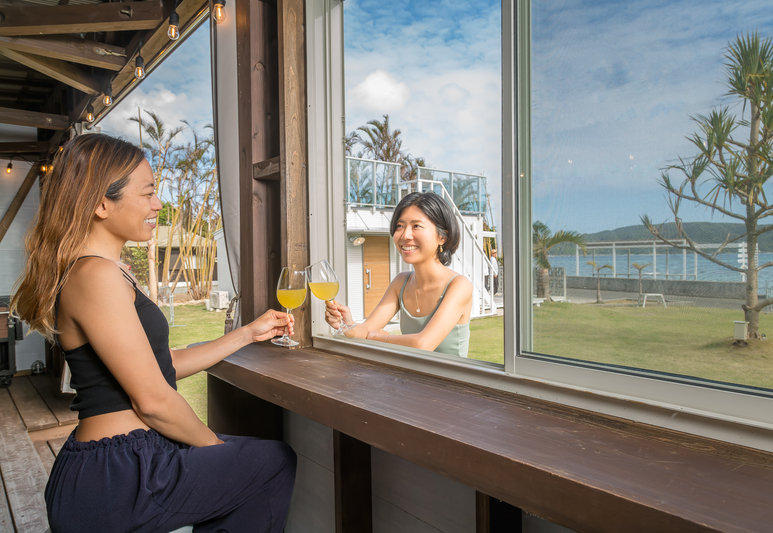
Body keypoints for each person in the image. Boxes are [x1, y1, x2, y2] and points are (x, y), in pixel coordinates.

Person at [10, 135, 297, 533]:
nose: (158, 205)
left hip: (124, 463)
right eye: (147, 194)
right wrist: (215, 449)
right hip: (120, 473)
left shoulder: (102, 271)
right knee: (269, 463)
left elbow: (163, 367)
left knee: (259, 462)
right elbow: (152, 400)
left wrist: (247, 333)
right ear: (101, 203)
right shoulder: (95, 275)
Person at [325, 191, 472, 357]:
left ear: (442, 237)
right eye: (400, 226)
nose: (404, 235)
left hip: (451, 382)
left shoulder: (459, 286)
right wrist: (348, 325)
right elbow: (367, 330)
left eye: (417, 226)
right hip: (410, 380)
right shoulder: (401, 282)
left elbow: (423, 344)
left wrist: (382, 338)